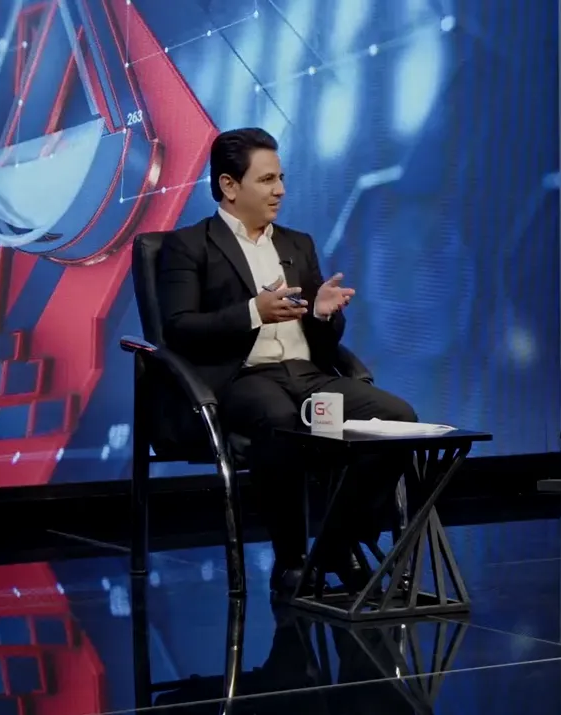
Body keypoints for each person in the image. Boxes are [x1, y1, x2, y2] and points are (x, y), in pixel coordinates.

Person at [157, 127, 418, 598]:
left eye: (281, 178)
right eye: (266, 180)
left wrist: (321, 315)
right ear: (229, 185)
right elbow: (178, 329)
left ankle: (335, 544)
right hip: (241, 378)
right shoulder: (189, 246)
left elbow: (325, 342)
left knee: (398, 418)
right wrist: (253, 312)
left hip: (308, 375)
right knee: (279, 421)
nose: (279, 190)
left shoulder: (298, 245)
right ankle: (292, 561)